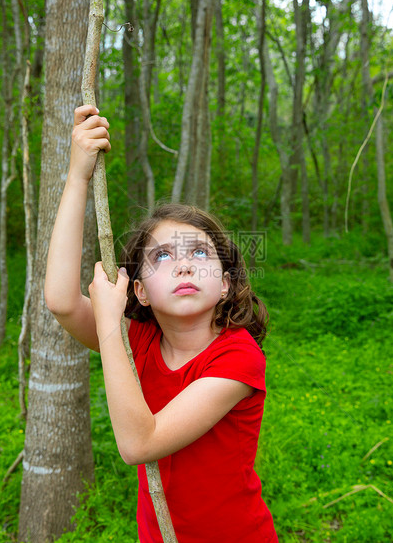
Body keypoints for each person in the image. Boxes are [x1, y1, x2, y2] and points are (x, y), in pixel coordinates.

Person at [44, 104, 277, 543]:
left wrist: (111, 324)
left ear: (225, 284)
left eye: (200, 253)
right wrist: (77, 177)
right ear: (141, 292)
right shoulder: (141, 340)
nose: (185, 267)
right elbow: (59, 300)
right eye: (163, 257)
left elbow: (139, 444)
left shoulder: (238, 358)